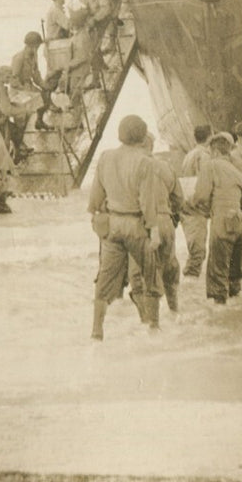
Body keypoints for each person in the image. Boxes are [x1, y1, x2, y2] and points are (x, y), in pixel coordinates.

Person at [86, 116, 160, 338]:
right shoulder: (145, 161)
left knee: (104, 280)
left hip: (112, 225)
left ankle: (97, 331)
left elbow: (95, 199)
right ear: (141, 135)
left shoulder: (106, 157)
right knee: (150, 276)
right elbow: (148, 201)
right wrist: (154, 230)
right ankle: (153, 328)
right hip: (136, 224)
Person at [191, 132, 242, 303]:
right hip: (241, 223)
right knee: (234, 274)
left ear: (215, 152)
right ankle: (235, 305)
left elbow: (201, 196)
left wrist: (193, 205)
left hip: (222, 222)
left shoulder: (211, 165)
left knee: (217, 270)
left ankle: (219, 311)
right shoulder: (238, 171)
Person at [131, 141, 183, 315]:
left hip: (142, 223)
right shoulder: (165, 166)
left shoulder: (132, 167)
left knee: (140, 274)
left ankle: (149, 322)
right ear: (151, 147)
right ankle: (174, 311)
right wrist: (170, 219)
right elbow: (178, 199)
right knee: (169, 267)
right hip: (165, 220)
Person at [177, 124, 212, 278]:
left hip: (187, 205)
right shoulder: (204, 156)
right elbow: (205, 183)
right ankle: (190, 281)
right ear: (210, 137)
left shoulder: (189, 154)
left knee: (195, 249)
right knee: (198, 252)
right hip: (196, 207)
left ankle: (190, 288)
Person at [0, 63, 30, 160]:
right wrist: (23, 109)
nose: (9, 79)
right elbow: (7, 111)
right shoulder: (0, 88)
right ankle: (7, 163)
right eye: (7, 77)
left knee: (13, 134)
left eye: (10, 77)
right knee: (5, 142)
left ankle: (18, 151)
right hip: (0, 121)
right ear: (1, 75)